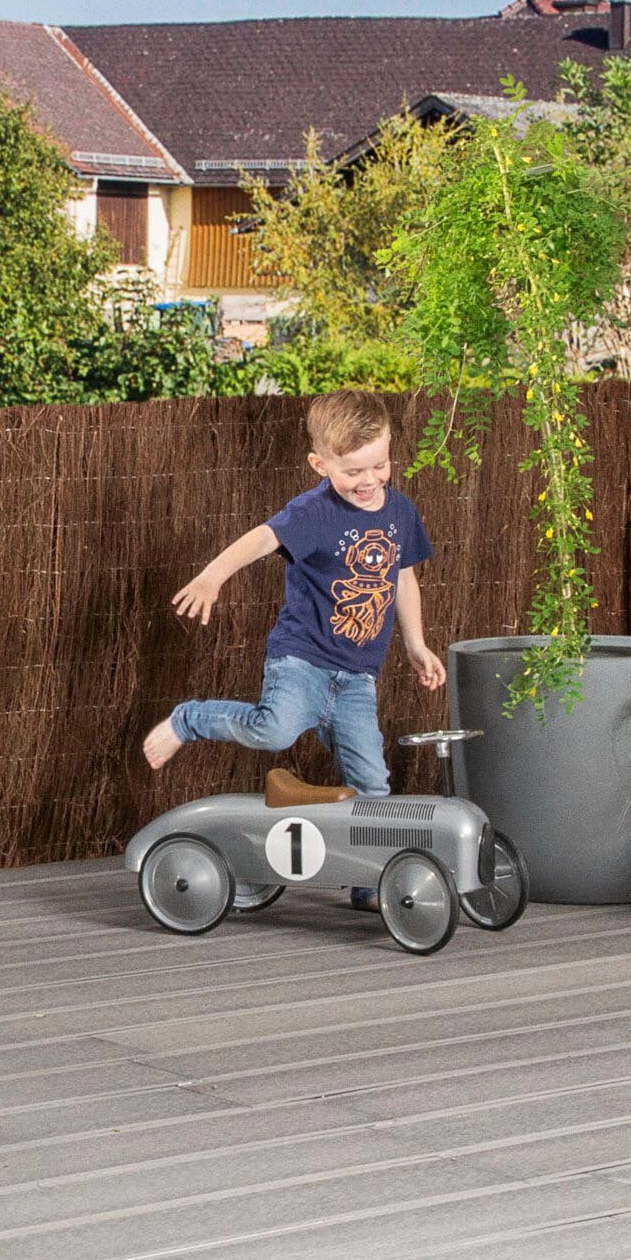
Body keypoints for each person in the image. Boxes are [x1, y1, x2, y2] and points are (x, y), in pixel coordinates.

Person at [142, 389, 443, 909]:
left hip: (357, 677)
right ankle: (189, 720)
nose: (369, 481)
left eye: (380, 465)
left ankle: (371, 885)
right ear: (319, 464)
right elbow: (259, 539)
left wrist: (415, 643)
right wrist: (213, 577)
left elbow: (404, 577)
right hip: (302, 660)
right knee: (274, 729)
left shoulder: (400, 512)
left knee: (372, 783)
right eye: (352, 472)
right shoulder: (313, 512)